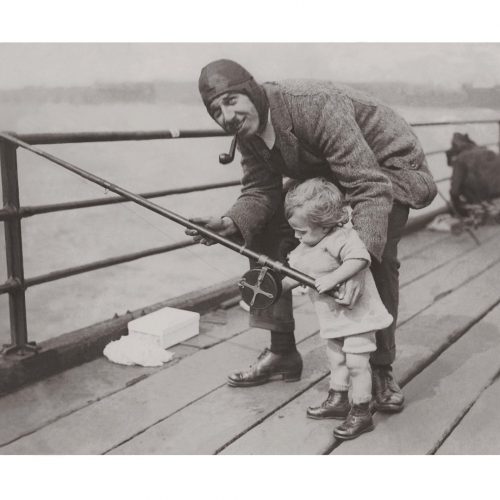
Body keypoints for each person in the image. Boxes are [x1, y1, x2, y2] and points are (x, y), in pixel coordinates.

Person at [187, 58, 437, 413]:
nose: (226, 116)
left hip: (389, 171)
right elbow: (260, 189)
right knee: (265, 223)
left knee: (371, 255)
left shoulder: (314, 104)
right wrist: (231, 221)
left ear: (252, 92)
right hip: (334, 173)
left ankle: (379, 366)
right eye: (216, 111)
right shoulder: (246, 129)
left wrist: (355, 262)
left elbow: (368, 185)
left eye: (230, 101)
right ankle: (282, 349)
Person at [283, 177, 393, 439]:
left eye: (302, 231)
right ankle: (338, 399)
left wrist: (334, 278)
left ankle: (361, 410)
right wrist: (271, 287)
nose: (296, 236)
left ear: (326, 224)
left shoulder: (343, 237)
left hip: (358, 318)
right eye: (294, 231)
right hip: (332, 320)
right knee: (336, 360)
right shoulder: (304, 247)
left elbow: (360, 258)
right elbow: (292, 275)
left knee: (357, 364)